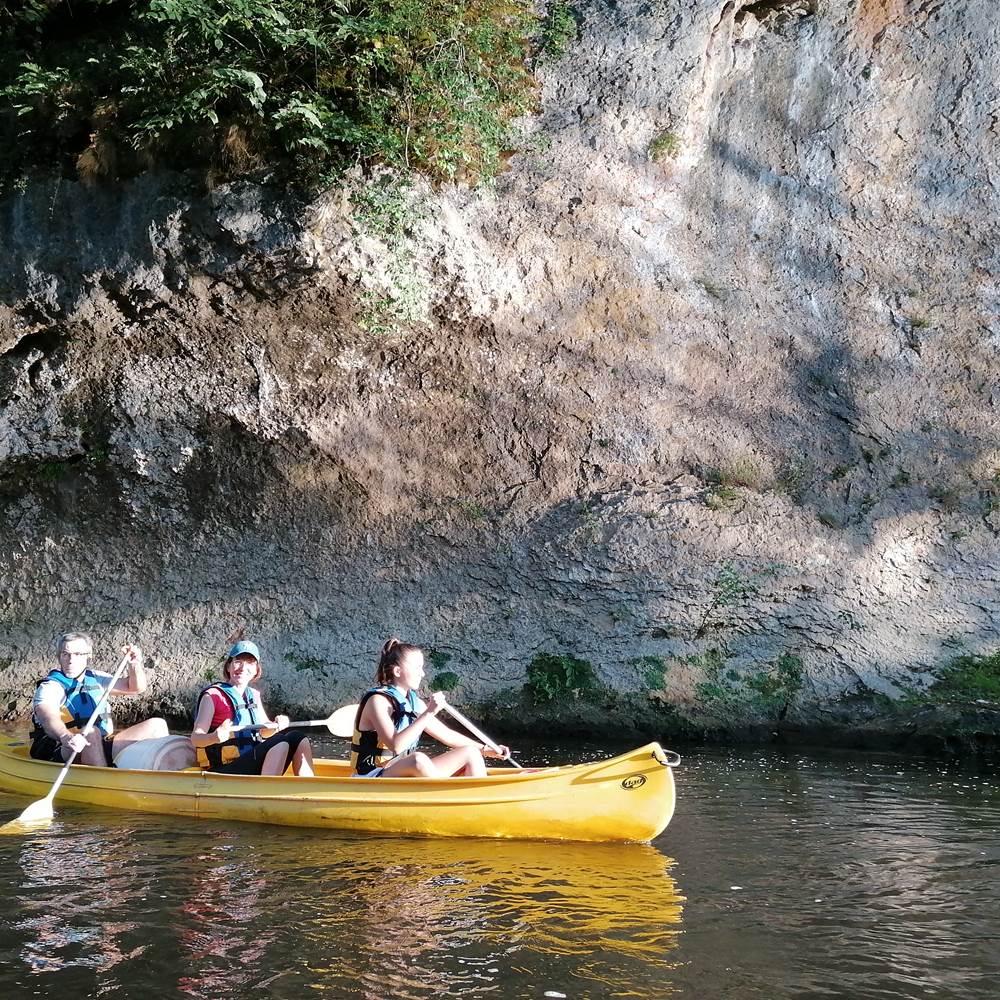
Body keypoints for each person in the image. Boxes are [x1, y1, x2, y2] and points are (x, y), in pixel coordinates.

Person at [351, 638, 510, 778]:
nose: (422, 674)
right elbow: (396, 745)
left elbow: (447, 735)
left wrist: (486, 749)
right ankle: (443, 793)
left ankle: (473, 795)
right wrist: (429, 712)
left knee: (471, 752)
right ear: (397, 671)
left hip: (401, 772)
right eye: (417, 668)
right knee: (418, 760)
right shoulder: (377, 701)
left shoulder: (414, 703)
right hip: (372, 775)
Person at [30, 632, 170, 766]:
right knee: (91, 732)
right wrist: (66, 737)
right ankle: (102, 777)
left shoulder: (96, 678)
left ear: (88, 655)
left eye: (77, 654)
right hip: (64, 747)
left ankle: (158, 772)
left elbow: (135, 687)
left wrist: (134, 665)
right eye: (65, 654)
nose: (71, 660)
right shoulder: (50, 687)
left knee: (157, 725)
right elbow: (47, 717)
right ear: (59, 656)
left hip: (100, 742)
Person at [190, 640, 313, 776]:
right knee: (280, 741)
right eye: (238, 661)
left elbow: (264, 732)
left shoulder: (253, 695)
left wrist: (276, 725)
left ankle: (307, 786)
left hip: (249, 760)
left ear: (256, 671)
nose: (243, 668)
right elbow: (196, 738)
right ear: (228, 667)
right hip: (223, 769)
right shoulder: (212, 696)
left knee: (298, 737)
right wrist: (214, 737)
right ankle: (267, 788)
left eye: (250, 663)